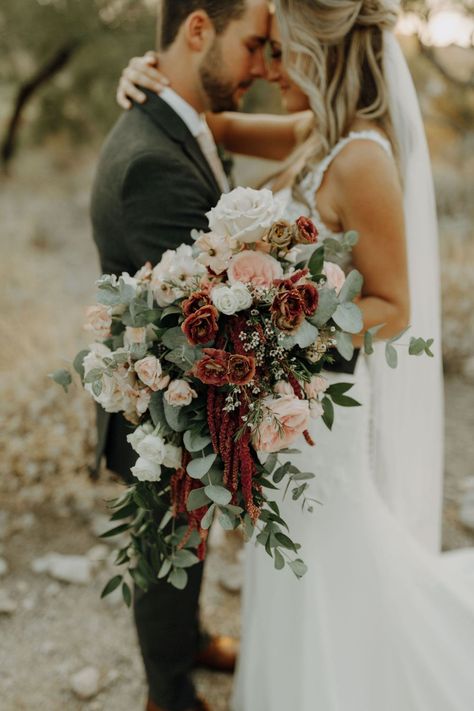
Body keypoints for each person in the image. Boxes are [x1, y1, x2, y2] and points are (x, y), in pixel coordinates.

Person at [118, 1, 474, 709]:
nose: (266, 69)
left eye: (279, 54)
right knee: (290, 563)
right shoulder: (317, 132)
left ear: (320, 53)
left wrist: (272, 340)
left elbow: (395, 309)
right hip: (287, 405)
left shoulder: (363, 158)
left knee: (326, 557)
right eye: (264, 51)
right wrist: (145, 72)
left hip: (319, 417)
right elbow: (209, 120)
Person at [90, 2, 270, 710]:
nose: (259, 65)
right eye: (253, 45)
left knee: (186, 537)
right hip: (162, 401)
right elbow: (209, 318)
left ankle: (191, 641)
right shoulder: (150, 163)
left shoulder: (184, 119)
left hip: (181, 385)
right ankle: (168, 692)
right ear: (199, 30)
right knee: (165, 548)